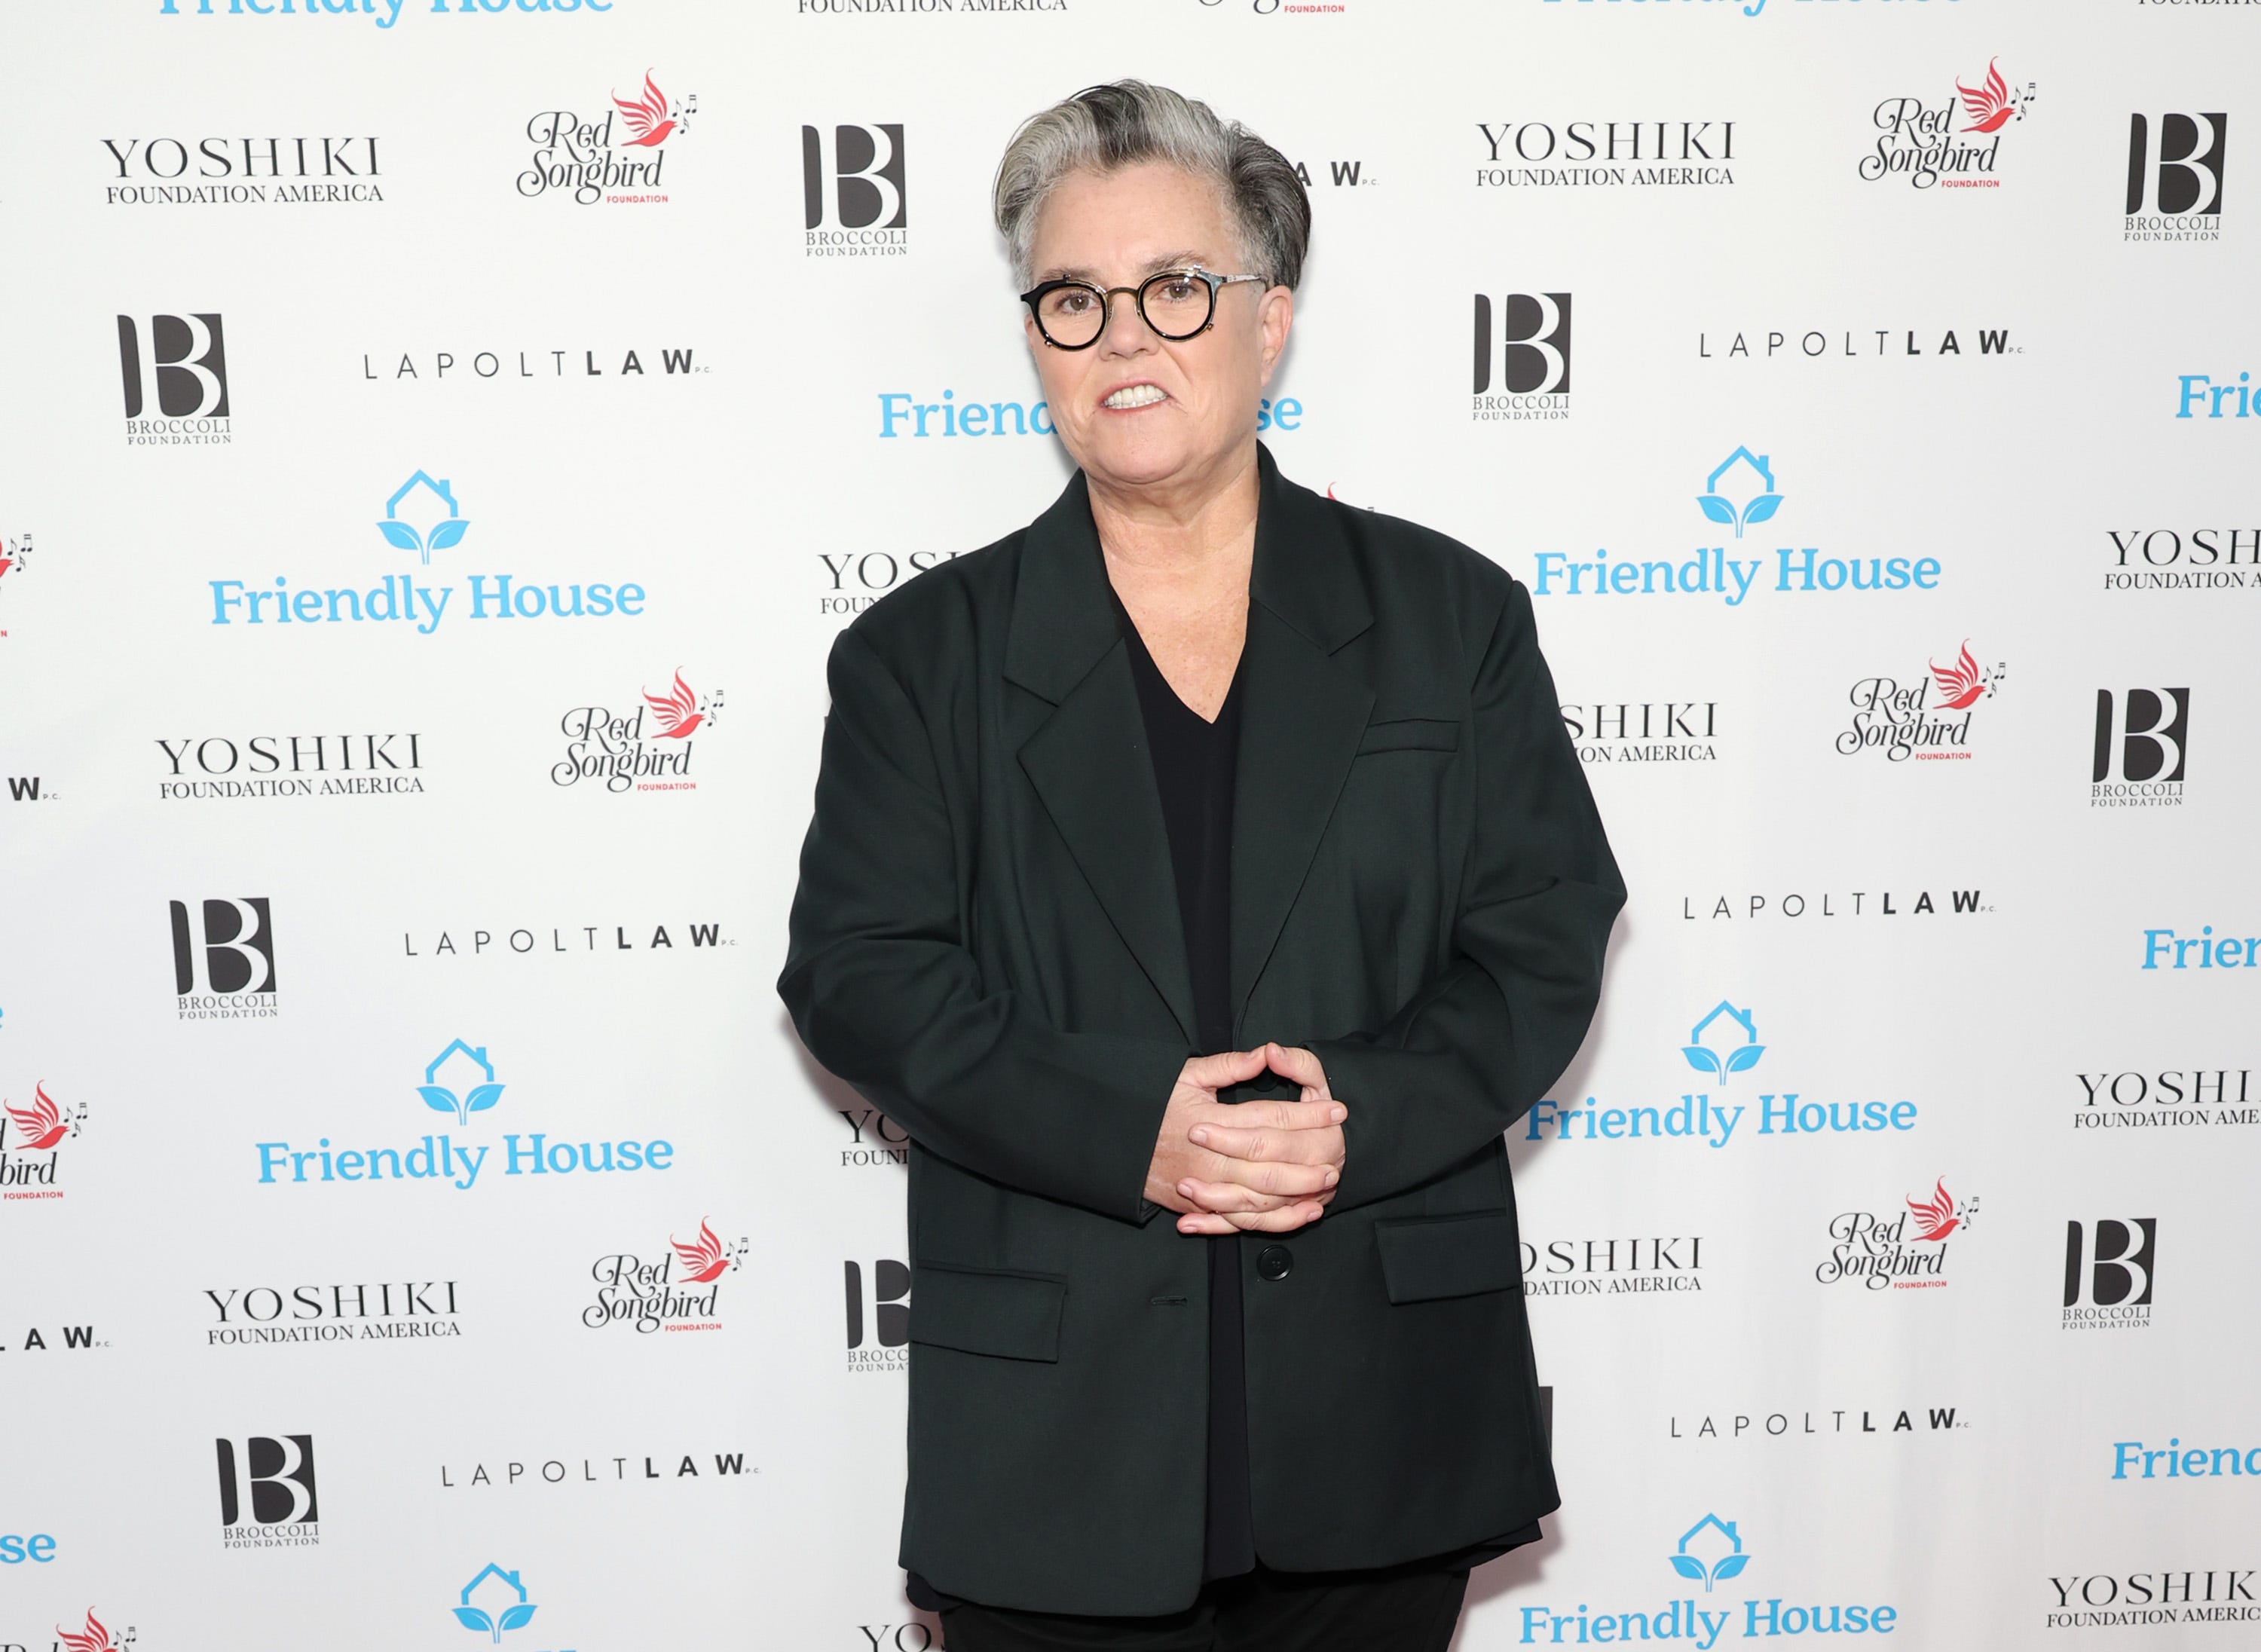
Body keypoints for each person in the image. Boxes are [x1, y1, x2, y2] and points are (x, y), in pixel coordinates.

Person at [779, 80, 1623, 1652]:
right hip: (1059, 1450)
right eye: (1075, 300)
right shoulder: (917, 658)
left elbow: (1542, 935)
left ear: (1271, 320)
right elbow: (859, 973)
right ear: (1033, 338)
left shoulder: (1453, 618)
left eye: (1178, 288)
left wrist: (1343, 1121)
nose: (1126, 339)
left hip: (1384, 1411)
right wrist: (1135, 1132)